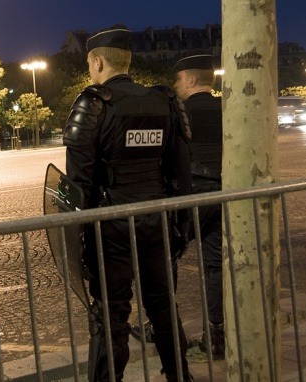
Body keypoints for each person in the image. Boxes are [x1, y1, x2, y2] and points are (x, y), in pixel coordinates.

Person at [63, 25, 193, 382]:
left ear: (98, 61)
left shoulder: (93, 104)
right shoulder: (164, 101)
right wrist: (181, 225)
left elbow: (79, 183)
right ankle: (181, 376)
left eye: (90, 63)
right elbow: (181, 173)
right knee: (163, 305)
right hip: (157, 221)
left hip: (112, 226)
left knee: (111, 314)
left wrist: (80, 236)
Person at [173, 54, 225, 359]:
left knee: (165, 258)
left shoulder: (179, 112)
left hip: (190, 196)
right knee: (214, 264)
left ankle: (165, 327)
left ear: (191, 80)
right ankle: (215, 333)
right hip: (221, 193)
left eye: (179, 79)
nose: (177, 85)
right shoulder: (225, 109)